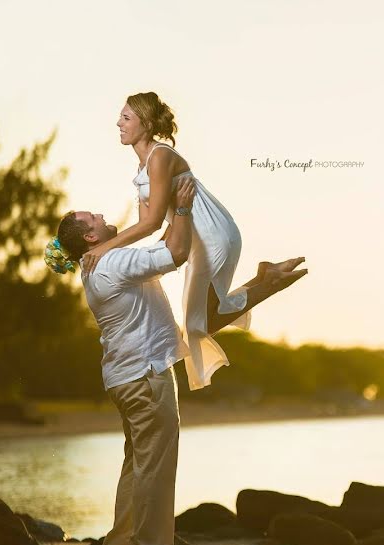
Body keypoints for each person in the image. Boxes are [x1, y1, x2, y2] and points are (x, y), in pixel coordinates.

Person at [44, 179, 304, 545]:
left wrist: (166, 211)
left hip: (127, 378)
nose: (100, 214)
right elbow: (176, 252)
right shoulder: (110, 263)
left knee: (138, 464)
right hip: (146, 377)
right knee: (155, 467)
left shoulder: (101, 264)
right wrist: (181, 208)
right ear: (90, 235)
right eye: (92, 216)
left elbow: (164, 243)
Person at [80, 91, 306, 390]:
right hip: (198, 236)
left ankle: (268, 282)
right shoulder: (143, 167)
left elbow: (151, 221)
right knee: (201, 322)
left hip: (212, 234)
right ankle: (266, 277)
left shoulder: (160, 157)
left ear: (145, 124)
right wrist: (130, 255)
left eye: (126, 118)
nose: (118, 123)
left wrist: (104, 248)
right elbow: (149, 227)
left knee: (201, 324)